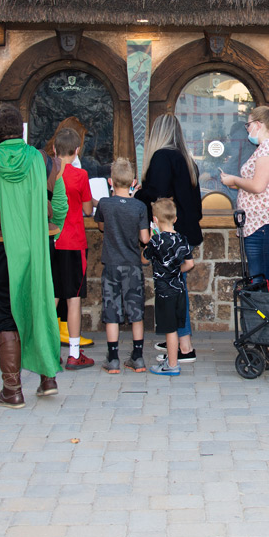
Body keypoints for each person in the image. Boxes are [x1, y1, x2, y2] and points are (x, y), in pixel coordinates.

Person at [0, 105, 67, 408]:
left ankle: (12, 390)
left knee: (6, 314)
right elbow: (60, 206)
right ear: (21, 131)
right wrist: (52, 231)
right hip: (40, 245)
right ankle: (48, 378)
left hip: (3, 248)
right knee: (42, 303)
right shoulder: (46, 163)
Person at [220, 105, 269, 364]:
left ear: (260, 124)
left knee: (263, 286)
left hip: (264, 225)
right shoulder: (267, 148)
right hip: (259, 224)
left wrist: (233, 181)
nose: (247, 129)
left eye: (248, 124)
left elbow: (258, 186)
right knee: (263, 285)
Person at [135, 113, 203, 363]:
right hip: (188, 233)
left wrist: (138, 194)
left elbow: (158, 196)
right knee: (178, 287)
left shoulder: (162, 156)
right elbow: (198, 208)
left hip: (172, 234)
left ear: (158, 133)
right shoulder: (187, 160)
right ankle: (176, 338)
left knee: (175, 290)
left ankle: (184, 347)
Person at [94, 157, 151, 374]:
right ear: (134, 181)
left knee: (112, 311)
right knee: (136, 312)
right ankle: (137, 357)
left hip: (111, 264)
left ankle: (114, 358)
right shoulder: (139, 206)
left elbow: (101, 226)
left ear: (111, 181)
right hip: (133, 265)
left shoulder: (105, 204)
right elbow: (144, 238)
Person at [50, 127, 96, 370]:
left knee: (52, 297)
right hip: (74, 242)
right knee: (73, 299)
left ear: (54, 149)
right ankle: (74, 353)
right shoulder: (80, 175)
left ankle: (48, 351)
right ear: (77, 151)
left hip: (51, 241)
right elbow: (88, 210)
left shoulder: (47, 174)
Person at [144, 198, 195, 376]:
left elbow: (144, 258)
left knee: (170, 330)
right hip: (179, 289)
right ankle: (171, 358)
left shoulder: (156, 241)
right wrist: (176, 271)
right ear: (175, 218)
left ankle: (172, 365)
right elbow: (189, 264)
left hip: (165, 292)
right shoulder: (182, 239)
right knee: (175, 326)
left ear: (155, 220)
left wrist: (151, 237)